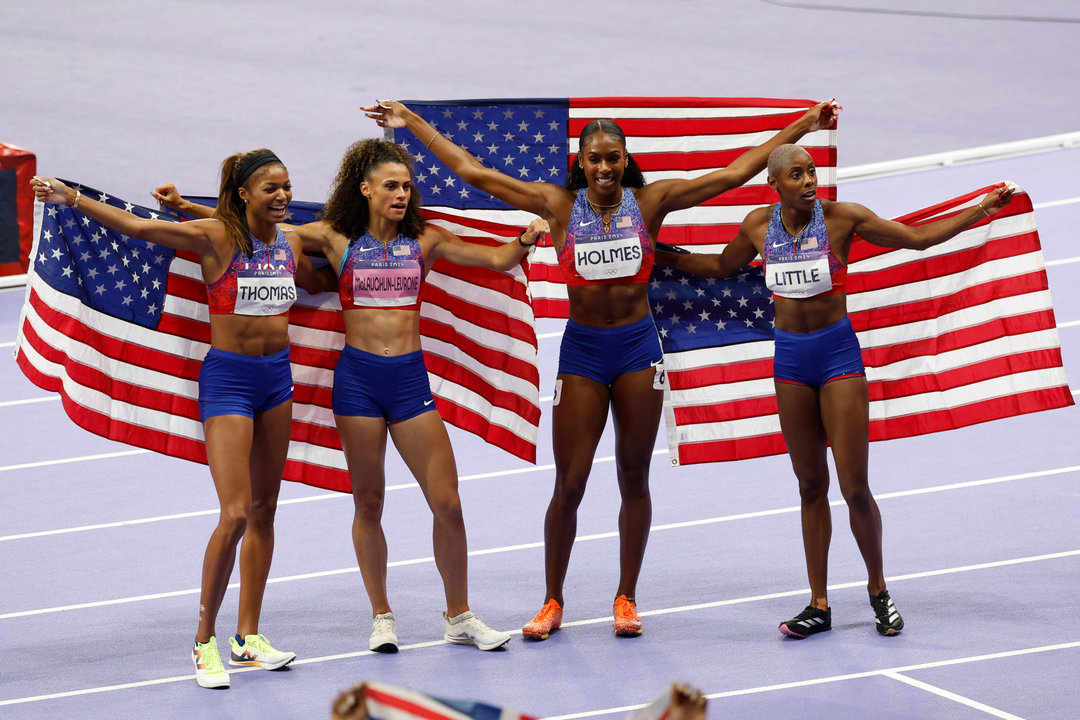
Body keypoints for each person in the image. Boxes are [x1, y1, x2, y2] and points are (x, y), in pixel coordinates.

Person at [365, 99, 840, 639]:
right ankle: (551, 601)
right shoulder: (557, 205)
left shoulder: (652, 200)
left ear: (625, 159)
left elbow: (733, 174)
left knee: (634, 476)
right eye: (595, 160)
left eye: (613, 158)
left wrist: (804, 126)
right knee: (569, 482)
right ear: (582, 163)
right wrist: (413, 124)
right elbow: (475, 172)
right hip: (584, 354)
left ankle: (626, 597)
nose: (605, 168)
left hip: (638, 351)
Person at [159, 139, 533, 652]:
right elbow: (255, 230)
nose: (402, 194)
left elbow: (497, 259)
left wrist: (527, 238)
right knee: (369, 502)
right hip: (357, 383)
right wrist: (185, 210)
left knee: (447, 502)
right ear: (366, 189)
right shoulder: (336, 239)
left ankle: (459, 615)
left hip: (409, 382)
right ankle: (382, 616)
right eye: (391, 186)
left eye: (407, 186)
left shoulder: (428, 241)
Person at [655, 143, 1014, 638]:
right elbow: (720, 267)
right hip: (790, 364)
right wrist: (654, 254)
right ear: (775, 184)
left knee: (853, 486)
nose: (808, 181)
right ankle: (819, 604)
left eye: (812, 172)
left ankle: (878, 590)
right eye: (797, 175)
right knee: (809, 486)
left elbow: (917, 239)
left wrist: (981, 210)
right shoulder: (758, 225)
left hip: (838, 358)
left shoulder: (844, 219)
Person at [32, 149, 335, 688]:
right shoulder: (215, 237)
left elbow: (320, 277)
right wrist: (71, 197)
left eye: (287, 186)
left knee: (266, 510)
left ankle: (248, 637)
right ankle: (203, 641)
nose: (284, 196)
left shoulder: (291, 241)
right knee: (236, 512)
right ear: (244, 195)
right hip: (230, 384)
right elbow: (137, 227)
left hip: (278, 382)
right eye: (271, 189)